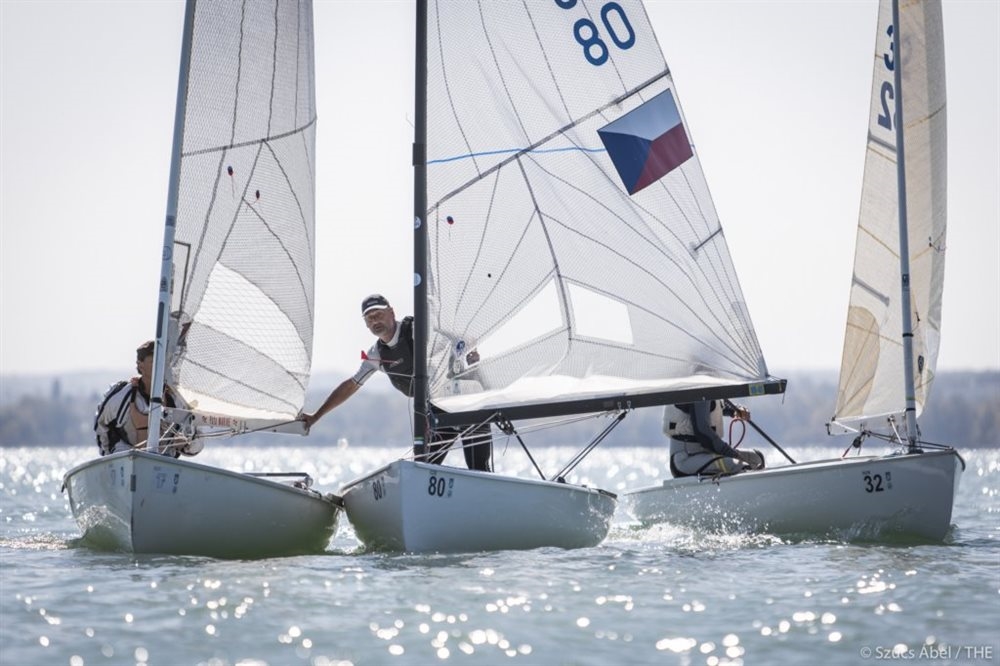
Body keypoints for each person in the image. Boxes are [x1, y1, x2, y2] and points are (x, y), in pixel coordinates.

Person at [301, 294, 493, 471]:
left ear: (391, 313)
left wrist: (469, 352)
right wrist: (316, 416)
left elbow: (462, 339)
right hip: (438, 410)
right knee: (423, 468)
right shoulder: (376, 355)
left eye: (379, 314)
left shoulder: (418, 329)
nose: (375, 320)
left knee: (479, 468)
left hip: (467, 402)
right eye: (369, 318)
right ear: (366, 324)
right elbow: (351, 385)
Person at [93, 340, 198, 457]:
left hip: (165, 461)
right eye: (154, 361)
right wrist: (112, 456)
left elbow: (197, 437)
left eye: (165, 361)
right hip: (125, 457)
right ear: (140, 365)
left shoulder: (179, 399)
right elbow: (101, 425)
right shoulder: (121, 396)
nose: (161, 366)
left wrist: (186, 444)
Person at [662, 400, 764, 477]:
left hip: (707, 453)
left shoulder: (706, 388)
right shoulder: (697, 388)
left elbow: (715, 405)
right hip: (686, 460)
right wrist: (732, 454)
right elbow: (703, 433)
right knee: (739, 465)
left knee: (757, 458)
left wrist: (735, 410)